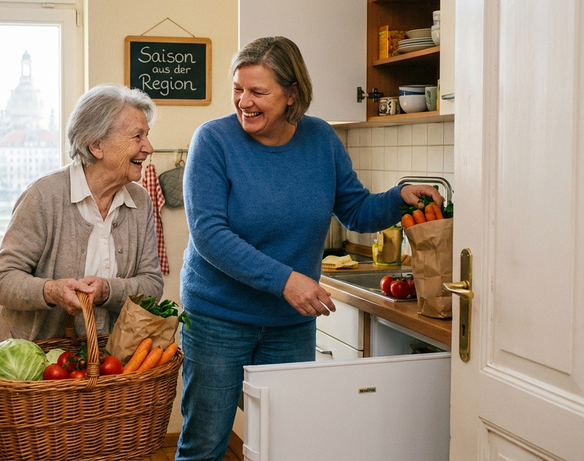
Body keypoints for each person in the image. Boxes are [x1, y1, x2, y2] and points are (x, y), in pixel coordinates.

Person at [175, 36, 443, 461]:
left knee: (288, 442)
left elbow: (355, 210)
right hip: (218, 318)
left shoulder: (321, 139)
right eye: (238, 88)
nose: (244, 101)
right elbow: (210, 235)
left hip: (289, 324)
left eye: (258, 92)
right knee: (205, 443)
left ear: (292, 94)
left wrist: (398, 197)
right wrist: (285, 280)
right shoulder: (214, 140)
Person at [0, 84, 164, 346]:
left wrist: (108, 290)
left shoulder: (140, 201)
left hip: (107, 364)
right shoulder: (44, 196)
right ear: (96, 145)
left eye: (146, 136)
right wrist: (53, 291)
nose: (148, 147)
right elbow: (1, 281)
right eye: (137, 137)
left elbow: (152, 285)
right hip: (34, 366)